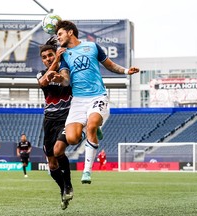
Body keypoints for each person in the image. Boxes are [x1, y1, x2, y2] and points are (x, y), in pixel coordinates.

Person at [47, 20, 140, 184]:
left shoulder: (92, 47)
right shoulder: (64, 55)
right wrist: (59, 77)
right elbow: (67, 80)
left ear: (70, 32)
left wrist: (126, 71)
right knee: (72, 139)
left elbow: (110, 65)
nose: (58, 37)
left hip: (97, 96)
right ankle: (91, 129)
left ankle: (87, 171)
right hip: (78, 101)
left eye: (60, 33)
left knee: (92, 125)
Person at [36, 36, 77, 210]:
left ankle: (68, 185)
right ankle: (63, 190)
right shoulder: (40, 74)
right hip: (49, 121)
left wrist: (61, 60)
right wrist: (55, 62)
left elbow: (66, 81)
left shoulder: (67, 70)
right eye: (44, 57)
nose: (47, 59)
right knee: (51, 163)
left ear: (55, 53)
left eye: (50, 55)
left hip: (66, 118)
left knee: (58, 150)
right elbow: (43, 82)